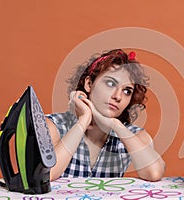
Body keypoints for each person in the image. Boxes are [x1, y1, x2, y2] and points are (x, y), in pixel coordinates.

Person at [46, 49, 165, 181]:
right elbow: (46, 174)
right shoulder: (54, 126)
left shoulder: (132, 135)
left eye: (127, 91)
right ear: (89, 84)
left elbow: (154, 173)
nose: (118, 96)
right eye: (110, 83)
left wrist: (115, 125)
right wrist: (83, 120)